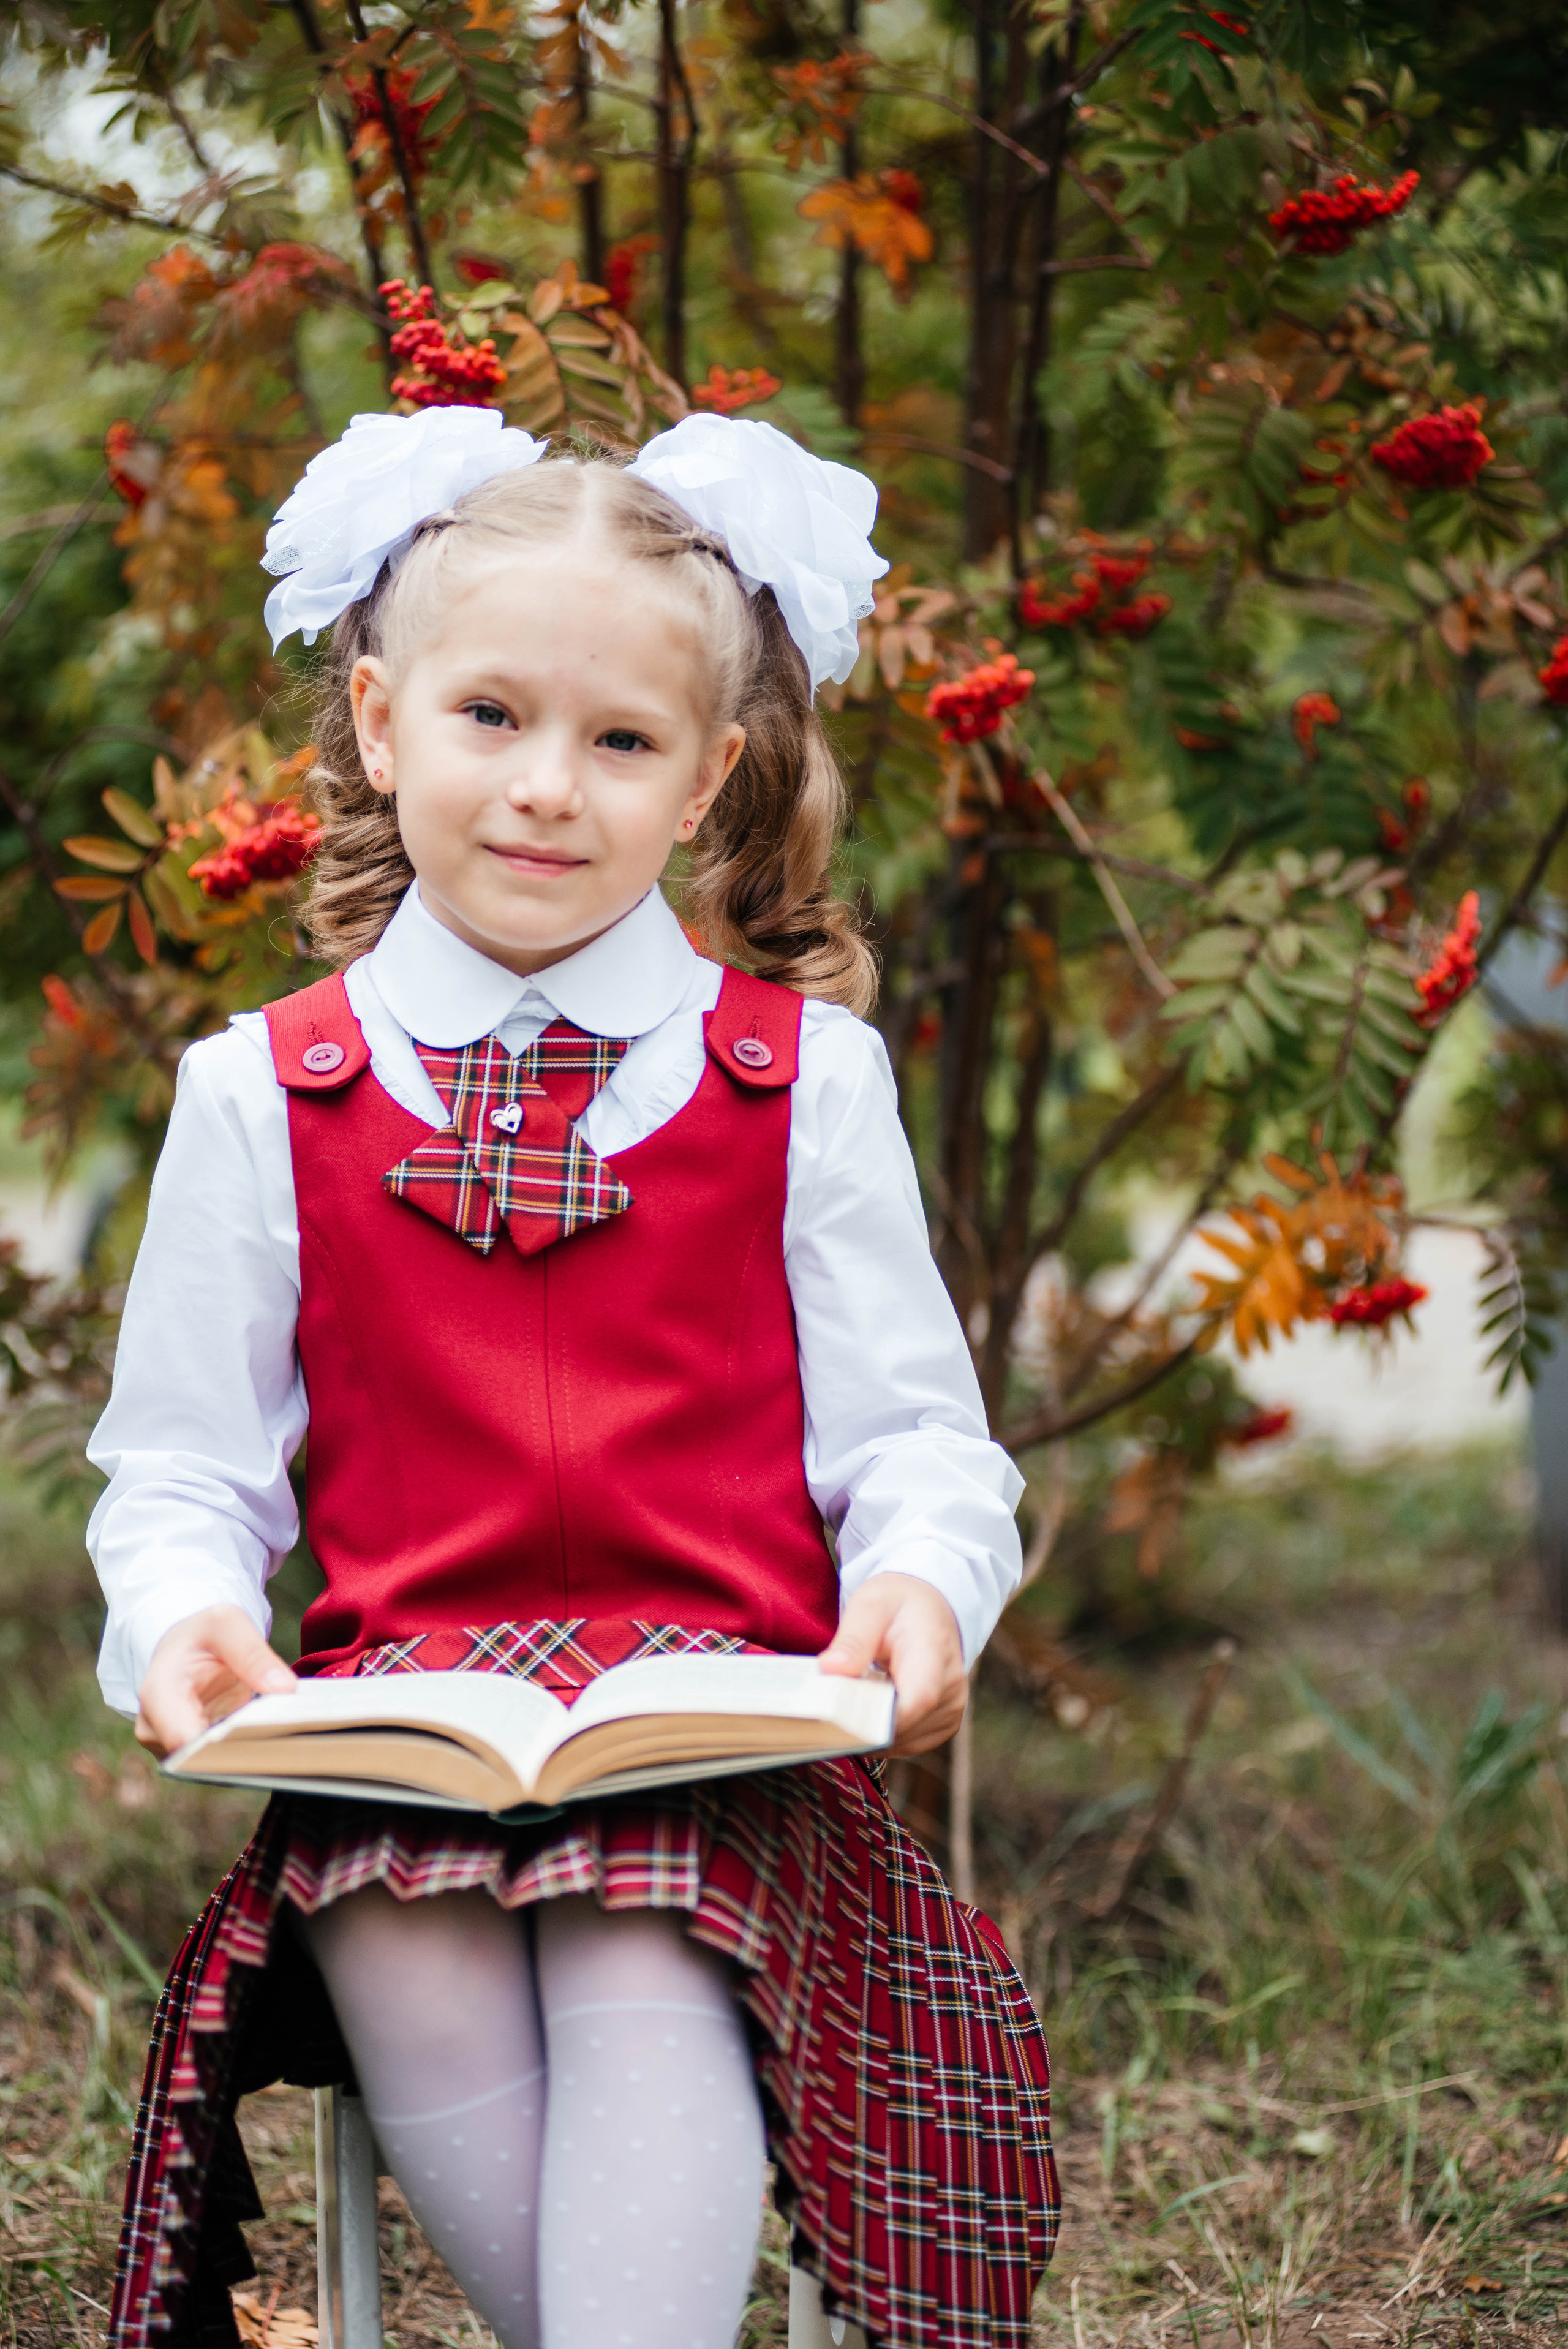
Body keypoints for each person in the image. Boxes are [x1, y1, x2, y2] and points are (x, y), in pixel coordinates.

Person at [91, 405, 1059, 2349]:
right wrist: (186, 1617)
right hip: (402, 1743)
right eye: (491, 718)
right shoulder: (266, 1092)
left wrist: (922, 1584)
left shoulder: (800, 1081)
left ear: (706, 781)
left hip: (717, 1743)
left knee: (643, 1915)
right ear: (379, 723)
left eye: (620, 741)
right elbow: (186, 1467)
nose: (549, 788)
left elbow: (918, 1445)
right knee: (392, 1923)